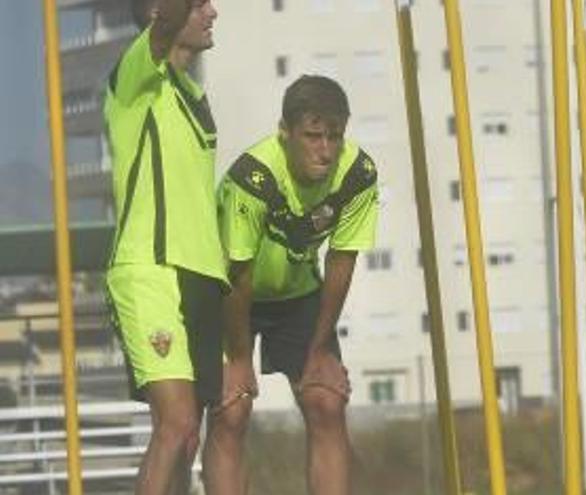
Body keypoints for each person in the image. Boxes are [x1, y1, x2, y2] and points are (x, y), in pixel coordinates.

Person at [203, 75, 379, 495]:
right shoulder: (254, 176)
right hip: (230, 296)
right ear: (285, 132)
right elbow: (238, 274)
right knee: (232, 410)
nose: (325, 150)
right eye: (313, 137)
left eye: (334, 137)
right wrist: (240, 358)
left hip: (298, 295)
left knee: (327, 401)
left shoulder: (358, 173)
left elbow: (341, 260)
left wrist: (319, 351)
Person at [103, 1, 225, 493]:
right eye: (200, 3)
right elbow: (162, 29)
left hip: (200, 274)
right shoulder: (135, 78)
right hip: (149, 270)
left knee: (190, 435)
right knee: (174, 425)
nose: (213, 12)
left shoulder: (192, 92)